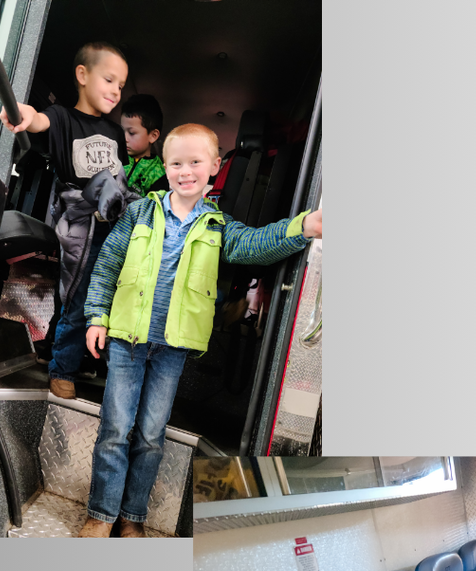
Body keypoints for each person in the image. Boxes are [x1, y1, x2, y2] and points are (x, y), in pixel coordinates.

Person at [77, 123, 321, 537]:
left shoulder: (217, 225)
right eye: (176, 163)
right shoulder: (139, 212)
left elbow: (257, 244)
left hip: (171, 350)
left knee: (152, 435)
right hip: (127, 341)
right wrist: (97, 316)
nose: (185, 171)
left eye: (195, 162)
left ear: (215, 167)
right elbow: (106, 267)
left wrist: (303, 228)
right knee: (116, 428)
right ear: (165, 167)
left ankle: (132, 518)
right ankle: (101, 514)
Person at [0, 42, 131, 399]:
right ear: (82, 75)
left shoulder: (116, 132)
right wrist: (25, 112)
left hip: (108, 223)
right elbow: (39, 120)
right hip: (77, 220)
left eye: (121, 85)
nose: (116, 91)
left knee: (83, 294)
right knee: (79, 295)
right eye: (109, 79)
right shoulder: (61, 117)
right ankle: (63, 370)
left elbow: (119, 179)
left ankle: (53, 352)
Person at [121, 94, 168, 196]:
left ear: (153, 136)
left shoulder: (157, 173)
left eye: (132, 133)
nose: (124, 138)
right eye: (122, 131)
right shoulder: (116, 157)